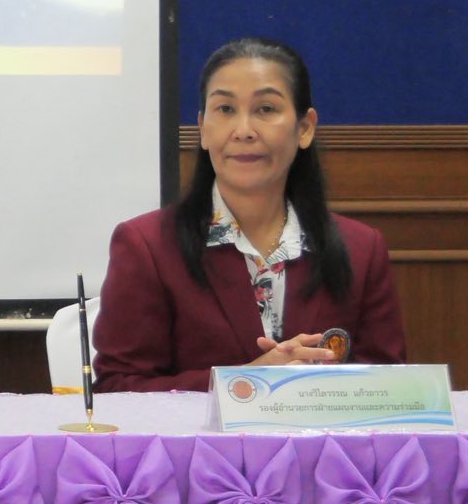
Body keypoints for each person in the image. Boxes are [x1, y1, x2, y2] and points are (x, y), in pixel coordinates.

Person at [93, 38, 407, 392]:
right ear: (203, 128)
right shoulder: (146, 246)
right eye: (225, 109)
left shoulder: (361, 249)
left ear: (305, 128)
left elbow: (390, 389)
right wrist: (245, 381)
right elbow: (118, 389)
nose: (243, 131)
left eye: (266, 109)